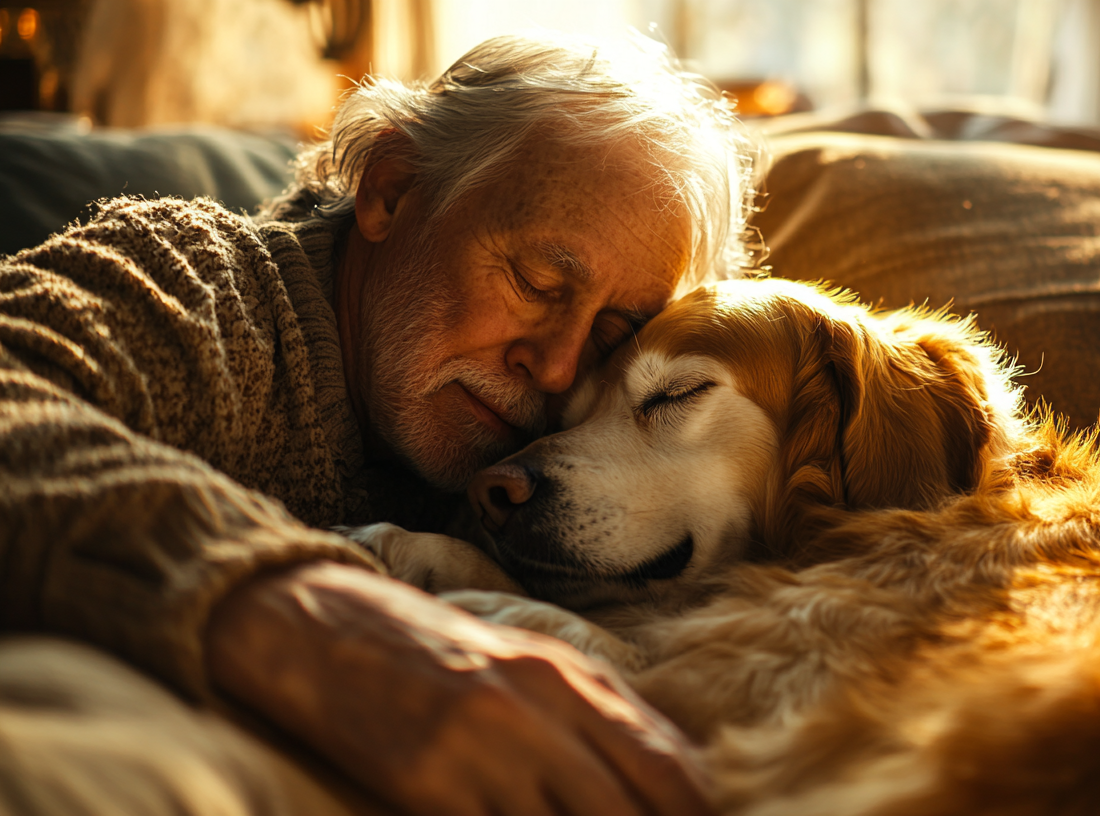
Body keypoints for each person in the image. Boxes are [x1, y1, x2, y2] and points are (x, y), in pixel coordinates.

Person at [0, 32, 758, 816]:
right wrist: (313, 624)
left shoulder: (575, 450)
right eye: (536, 281)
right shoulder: (195, 282)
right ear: (390, 191)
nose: (561, 368)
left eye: (612, 331)